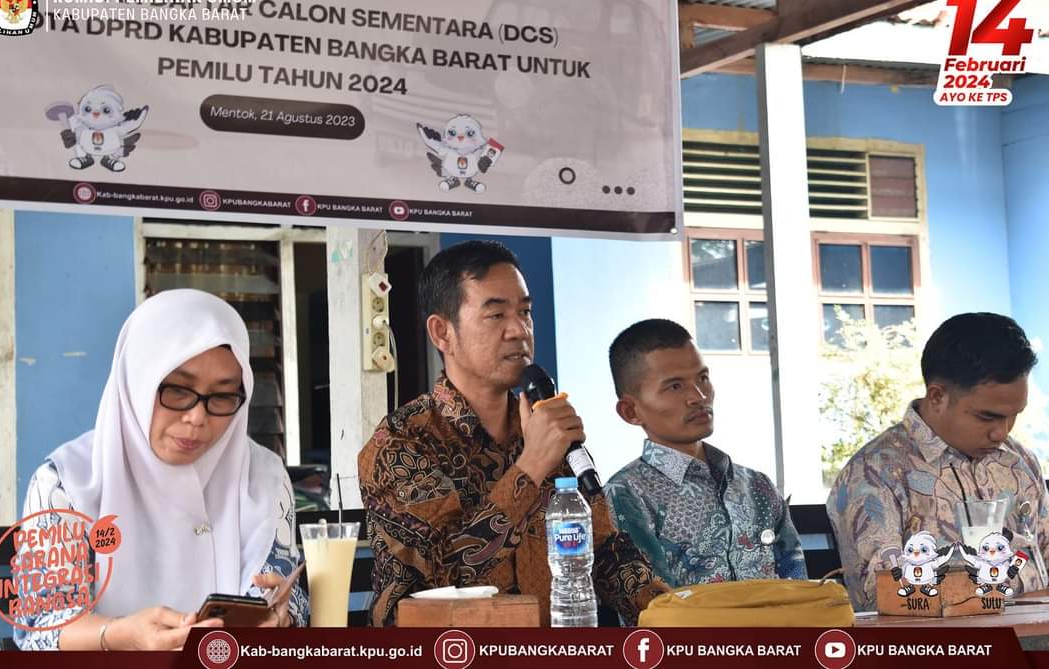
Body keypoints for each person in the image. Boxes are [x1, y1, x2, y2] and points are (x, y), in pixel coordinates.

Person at [358, 240, 669, 626]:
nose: (519, 330)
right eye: (496, 315)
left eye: (525, 312)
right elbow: (447, 577)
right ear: (442, 333)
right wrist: (531, 466)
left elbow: (605, 551)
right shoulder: (400, 442)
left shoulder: (547, 427)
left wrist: (676, 612)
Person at [14, 289, 309, 650]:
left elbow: (286, 595)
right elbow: (40, 627)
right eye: (178, 390)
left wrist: (280, 616)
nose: (197, 417)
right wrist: (121, 635)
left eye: (222, 396)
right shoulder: (66, 482)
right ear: (137, 381)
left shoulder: (263, 475)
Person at [827, 312, 1049, 611]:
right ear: (936, 397)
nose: (1002, 432)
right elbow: (883, 596)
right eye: (987, 416)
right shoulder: (873, 475)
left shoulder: (1019, 462)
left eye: (1014, 416)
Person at [604, 319, 806, 587]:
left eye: (703, 378)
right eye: (675, 386)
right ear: (631, 411)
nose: (699, 396)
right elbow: (653, 603)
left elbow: (799, 587)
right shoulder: (624, 495)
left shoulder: (758, 486)